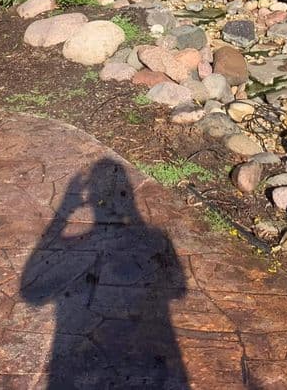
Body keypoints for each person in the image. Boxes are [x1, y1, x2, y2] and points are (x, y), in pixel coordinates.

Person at [21, 158, 189, 389]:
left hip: (81, 360)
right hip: (150, 354)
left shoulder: (155, 238)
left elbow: (31, 293)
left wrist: (65, 210)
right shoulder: (157, 238)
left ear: (88, 198)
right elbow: (179, 291)